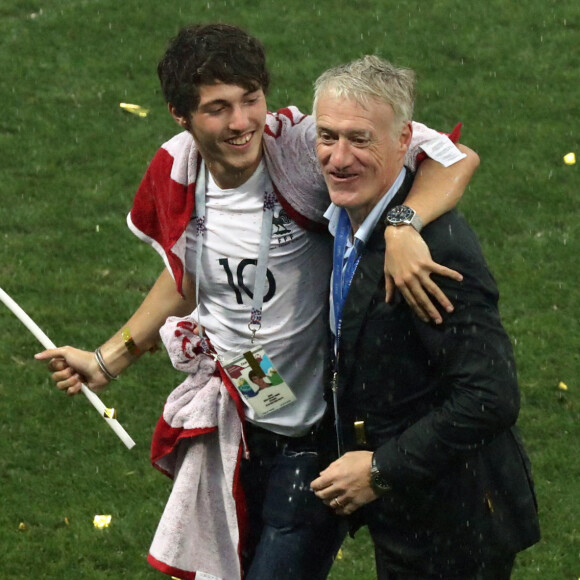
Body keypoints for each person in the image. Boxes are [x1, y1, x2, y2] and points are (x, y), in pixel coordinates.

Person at [34, 24, 479, 580]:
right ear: (181, 114)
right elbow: (185, 278)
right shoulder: (176, 172)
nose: (243, 122)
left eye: (250, 99)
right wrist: (108, 359)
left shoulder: (302, 145)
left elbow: (454, 155)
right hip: (245, 413)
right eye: (218, 108)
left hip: (317, 435)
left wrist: (403, 227)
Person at [310, 55, 540, 579]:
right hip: (412, 514)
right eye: (327, 136)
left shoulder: (437, 251)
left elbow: (490, 396)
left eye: (359, 139)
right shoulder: (356, 215)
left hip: (454, 523)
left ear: (404, 141)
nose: (338, 157)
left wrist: (378, 469)